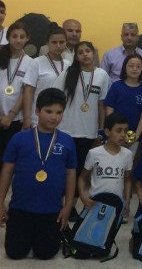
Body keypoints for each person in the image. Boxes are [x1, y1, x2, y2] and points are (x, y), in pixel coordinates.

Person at [0, 88, 76, 260]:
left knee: (46, 254)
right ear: (37, 111)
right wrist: (0, 201)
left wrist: (67, 206)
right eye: (49, 111)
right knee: (15, 253)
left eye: (59, 112)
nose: (54, 117)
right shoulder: (19, 139)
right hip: (20, 208)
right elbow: (7, 171)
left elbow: (70, 174)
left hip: (51, 210)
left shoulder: (67, 141)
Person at [53, 41, 110, 196]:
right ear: (76, 57)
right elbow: (55, 96)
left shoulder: (102, 75)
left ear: (93, 53)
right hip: (66, 130)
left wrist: (101, 130)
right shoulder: (68, 73)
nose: (85, 54)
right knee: (64, 169)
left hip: (89, 132)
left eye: (88, 51)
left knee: (80, 170)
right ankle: (60, 203)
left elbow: (102, 105)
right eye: (80, 52)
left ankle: (72, 203)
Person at [78, 112, 133, 218]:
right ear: (107, 131)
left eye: (125, 131)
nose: (123, 134)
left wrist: (127, 201)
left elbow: (127, 180)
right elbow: (82, 178)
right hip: (95, 202)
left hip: (116, 203)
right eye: (118, 131)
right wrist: (83, 196)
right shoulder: (94, 153)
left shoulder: (127, 154)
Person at [23, 25, 71, 129]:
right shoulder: (36, 62)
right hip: (39, 116)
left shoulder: (69, 65)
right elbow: (29, 91)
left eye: (61, 42)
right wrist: (27, 118)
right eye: (54, 42)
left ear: (66, 43)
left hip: (62, 117)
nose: (58, 46)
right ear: (47, 43)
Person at [0, 22, 33, 167]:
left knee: (8, 160)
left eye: (22, 37)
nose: (18, 40)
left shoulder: (30, 62)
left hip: (14, 119)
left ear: (27, 38)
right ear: (8, 38)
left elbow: (25, 92)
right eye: (14, 36)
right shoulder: (1, 57)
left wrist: (10, 116)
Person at [104, 54, 142, 158]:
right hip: (115, 133)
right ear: (125, 67)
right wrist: (113, 132)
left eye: (138, 66)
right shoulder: (116, 86)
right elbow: (109, 111)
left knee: (127, 163)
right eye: (131, 65)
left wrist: (135, 136)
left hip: (132, 135)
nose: (135, 69)